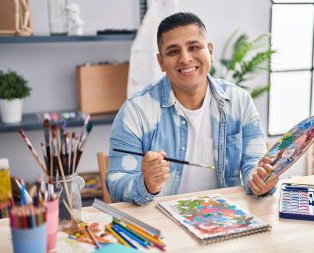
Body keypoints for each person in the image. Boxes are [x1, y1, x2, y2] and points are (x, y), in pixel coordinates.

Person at [106, 12, 278, 205]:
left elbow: (254, 163)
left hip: (225, 218)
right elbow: (115, 182)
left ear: (210, 51)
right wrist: (146, 184)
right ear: (161, 62)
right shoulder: (135, 111)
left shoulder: (240, 101)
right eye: (173, 52)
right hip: (162, 224)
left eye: (194, 47)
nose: (185, 59)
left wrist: (259, 180)